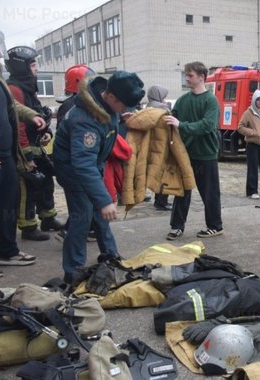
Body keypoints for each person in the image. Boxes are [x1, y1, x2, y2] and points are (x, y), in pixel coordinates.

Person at [53, 70, 145, 283]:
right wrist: (103, 201)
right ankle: (73, 271)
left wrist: (121, 118)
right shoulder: (84, 120)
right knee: (82, 218)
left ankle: (110, 256)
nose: (125, 110)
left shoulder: (105, 105)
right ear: (111, 96)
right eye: (124, 105)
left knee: (102, 216)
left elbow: (108, 130)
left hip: (93, 167)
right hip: (75, 173)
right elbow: (82, 164)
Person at [0, 26, 45, 277]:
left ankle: (8, 252)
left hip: (6, 156)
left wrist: (32, 115)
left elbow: (11, 106)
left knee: (7, 205)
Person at [5, 46, 64, 241]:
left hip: (36, 144)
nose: (37, 68)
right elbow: (19, 124)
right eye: (33, 64)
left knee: (46, 182)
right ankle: (28, 227)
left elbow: (35, 113)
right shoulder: (14, 89)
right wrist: (27, 155)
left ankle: (48, 218)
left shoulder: (29, 86)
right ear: (22, 67)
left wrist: (46, 131)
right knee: (28, 187)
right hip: (24, 148)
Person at [164, 61, 223, 240]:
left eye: (190, 75)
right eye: (186, 75)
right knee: (181, 191)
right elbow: (170, 119)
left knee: (209, 193)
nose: (187, 78)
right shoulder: (183, 100)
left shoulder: (211, 100)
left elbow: (207, 126)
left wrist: (181, 125)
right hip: (186, 154)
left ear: (201, 77)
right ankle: (177, 226)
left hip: (206, 154)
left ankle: (215, 226)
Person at [55, 65, 98, 243]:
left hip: (71, 163)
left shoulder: (68, 104)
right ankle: (70, 233)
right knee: (81, 205)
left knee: (81, 203)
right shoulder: (75, 105)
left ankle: (82, 230)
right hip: (75, 165)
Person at [146, 85, 173, 211]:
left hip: (152, 145)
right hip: (163, 145)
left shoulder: (148, 107)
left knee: (157, 174)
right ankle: (162, 202)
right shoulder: (162, 108)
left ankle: (158, 200)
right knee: (164, 174)